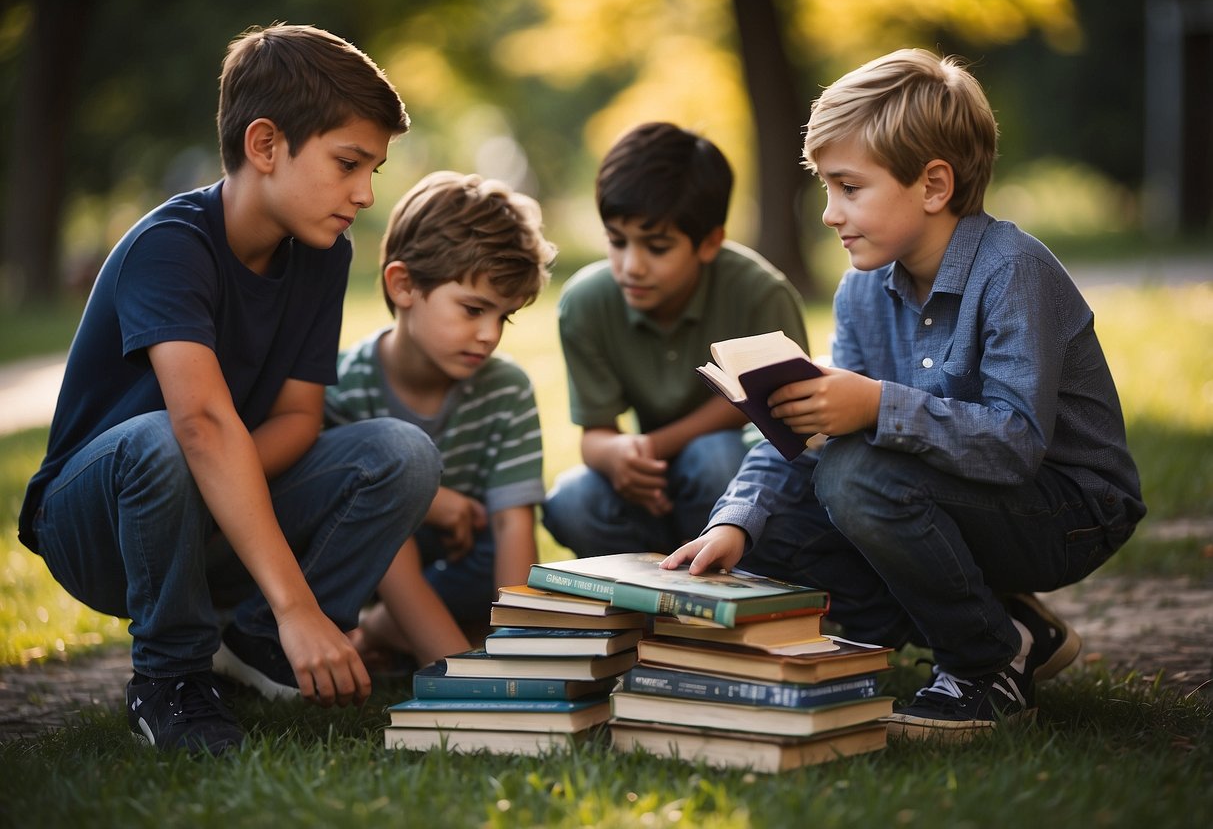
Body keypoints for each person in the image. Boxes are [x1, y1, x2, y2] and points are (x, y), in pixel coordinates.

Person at [662, 49, 1146, 740]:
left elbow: (1015, 446)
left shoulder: (1012, 272)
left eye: (848, 188)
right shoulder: (863, 287)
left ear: (933, 185)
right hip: (952, 493)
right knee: (776, 530)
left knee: (857, 475)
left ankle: (984, 660)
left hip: (1068, 508)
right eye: (823, 188)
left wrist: (875, 406)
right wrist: (734, 521)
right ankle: (1001, 622)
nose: (829, 213)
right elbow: (809, 436)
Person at [17, 24, 441, 756]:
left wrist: (228, 490)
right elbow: (201, 426)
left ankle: (255, 643)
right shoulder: (170, 245)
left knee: (401, 452)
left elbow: (299, 419)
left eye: (372, 169)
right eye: (348, 164)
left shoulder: (322, 255)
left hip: (210, 501)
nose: (366, 194)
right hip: (96, 524)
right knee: (166, 437)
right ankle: (170, 677)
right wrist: (299, 601)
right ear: (265, 145)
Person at [542, 121, 808, 557]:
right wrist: (621, 456)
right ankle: (645, 602)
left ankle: (733, 589)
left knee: (713, 459)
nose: (632, 266)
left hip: (742, 492)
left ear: (709, 242)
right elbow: (595, 434)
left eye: (657, 247)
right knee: (572, 500)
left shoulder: (761, 295)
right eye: (616, 241)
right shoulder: (586, 302)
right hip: (650, 485)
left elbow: (782, 429)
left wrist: (657, 444)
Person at [325, 171, 555, 665]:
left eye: (503, 316)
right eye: (473, 310)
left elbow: (515, 530)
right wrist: (461, 674)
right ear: (403, 284)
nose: (490, 335)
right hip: (366, 564)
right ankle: (410, 635)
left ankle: (386, 632)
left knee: (502, 556)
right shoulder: (345, 387)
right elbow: (379, 541)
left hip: (456, 564)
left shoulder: (506, 389)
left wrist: (516, 652)